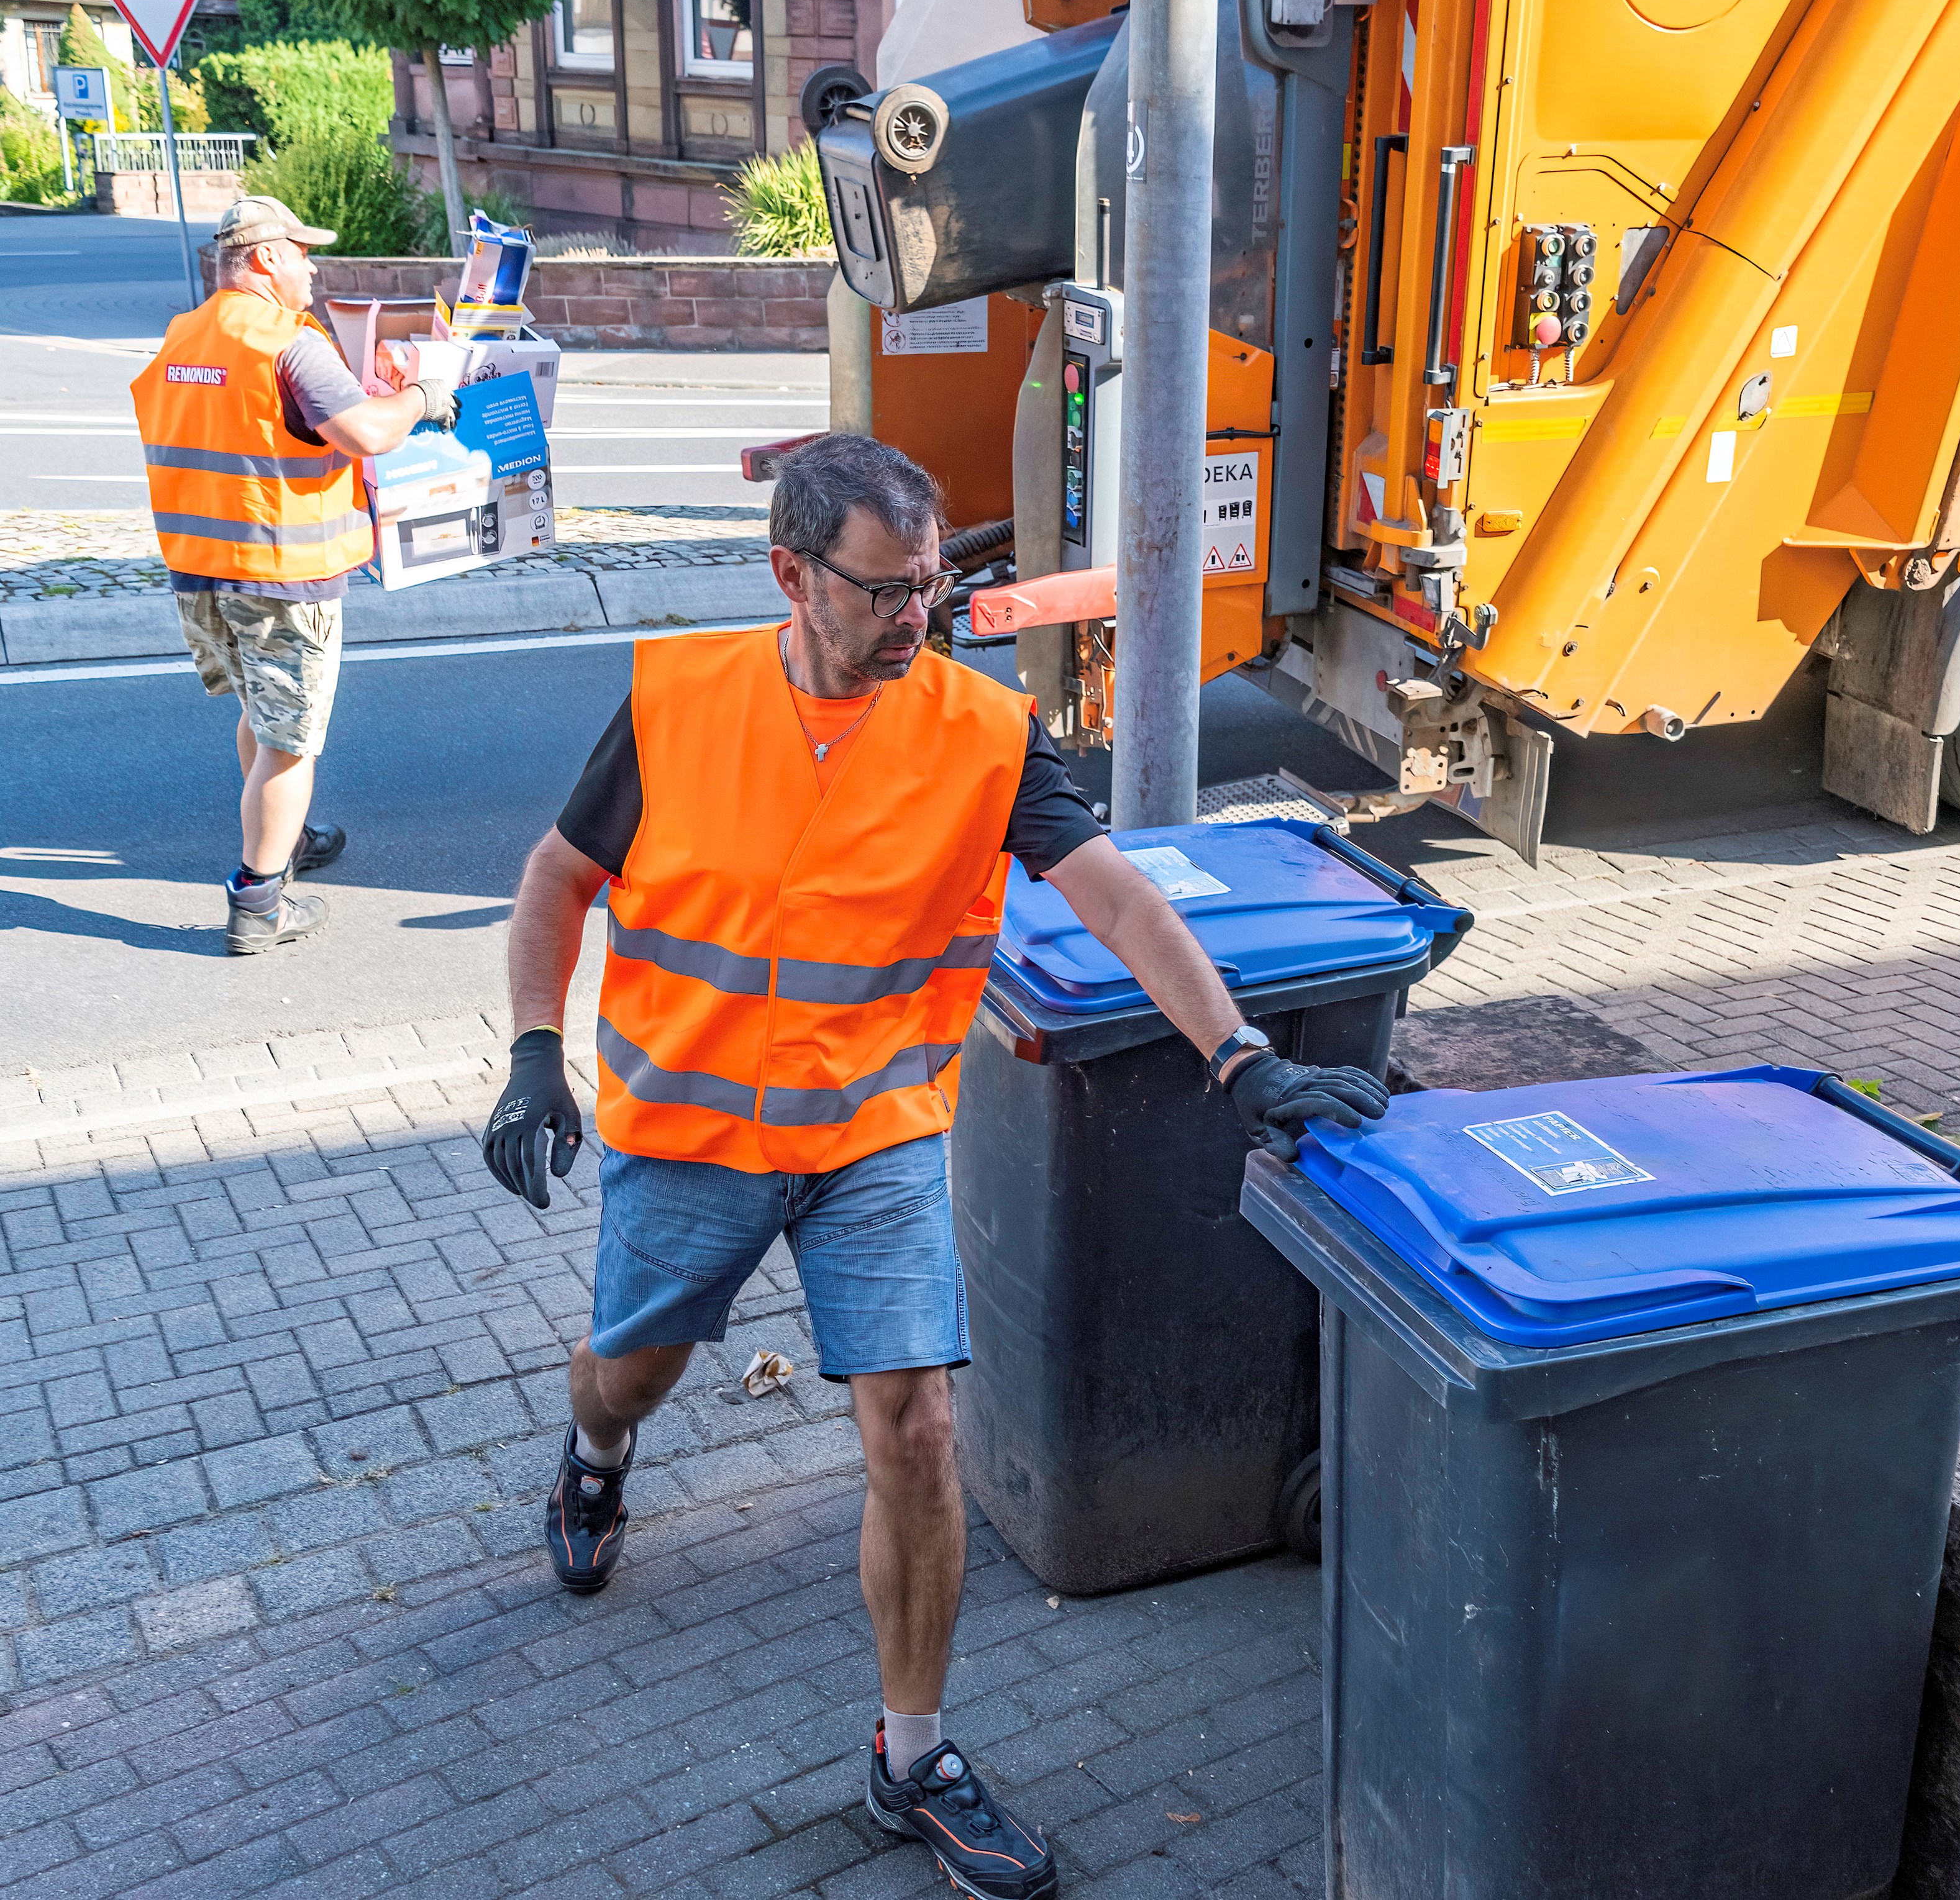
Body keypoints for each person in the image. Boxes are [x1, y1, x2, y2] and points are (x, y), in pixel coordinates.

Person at [479, 432, 1388, 1900]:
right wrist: (534, 1050)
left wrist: (1240, 1057)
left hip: (873, 1142)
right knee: (625, 1374)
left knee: (914, 1433)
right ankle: (595, 1459)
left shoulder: (981, 732)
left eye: (937, 581)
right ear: (792, 575)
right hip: (690, 1137)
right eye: (890, 590)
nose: (924, 614)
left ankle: (911, 1762)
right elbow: (557, 880)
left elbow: (1112, 893)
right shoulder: (676, 704)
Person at [130, 195, 455, 957]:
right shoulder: (287, 343)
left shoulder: (187, 335)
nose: (313, 267)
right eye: (304, 253)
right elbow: (367, 433)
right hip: (281, 575)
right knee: (290, 744)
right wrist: (421, 397)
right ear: (267, 258)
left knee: (261, 711)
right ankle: (259, 901)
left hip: (200, 569)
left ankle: (289, 836)